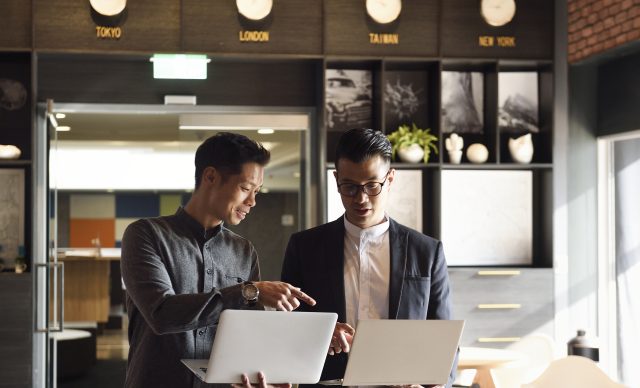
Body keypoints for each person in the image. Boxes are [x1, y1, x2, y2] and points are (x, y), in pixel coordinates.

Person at [121, 132, 316, 388]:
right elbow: (161, 314)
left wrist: (309, 342)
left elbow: (250, 333)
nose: (252, 201)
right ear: (210, 176)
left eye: (256, 191)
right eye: (245, 188)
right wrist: (248, 292)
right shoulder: (145, 234)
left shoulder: (244, 250)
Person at [281, 128, 457, 388]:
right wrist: (320, 334)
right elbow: (287, 326)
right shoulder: (304, 247)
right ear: (336, 179)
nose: (360, 198)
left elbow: (444, 340)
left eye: (372, 185)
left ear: (391, 178)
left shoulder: (426, 251)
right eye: (349, 187)